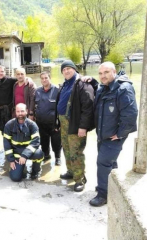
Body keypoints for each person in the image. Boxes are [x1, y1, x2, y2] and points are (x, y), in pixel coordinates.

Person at [89, 62, 138, 207]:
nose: (103, 76)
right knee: (111, 162)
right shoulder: (102, 87)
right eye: (100, 73)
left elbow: (130, 114)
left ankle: (104, 194)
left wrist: (121, 134)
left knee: (103, 163)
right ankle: (113, 186)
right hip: (103, 134)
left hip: (114, 136)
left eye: (106, 72)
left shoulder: (124, 89)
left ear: (114, 72)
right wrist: (90, 80)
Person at [57, 60, 95, 192]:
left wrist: (83, 127)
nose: (66, 71)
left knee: (76, 152)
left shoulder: (82, 83)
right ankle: (71, 172)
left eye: (68, 68)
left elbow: (88, 107)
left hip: (75, 124)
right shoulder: (65, 84)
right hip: (64, 122)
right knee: (66, 149)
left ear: (74, 69)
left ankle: (80, 179)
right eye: (64, 69)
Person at [3, 103, 44, 182]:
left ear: (26, 111)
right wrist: (11, 160)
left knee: (39, 153)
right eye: (18, 111)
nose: (20, 114)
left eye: (22, 111)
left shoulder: (32, 125)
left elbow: (36, 142)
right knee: (16, 178)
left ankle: (35, 171)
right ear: (15, 112)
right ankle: (19, 168)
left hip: (27, 152)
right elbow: (6, 144)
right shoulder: (9, 125)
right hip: (16, 153)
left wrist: (25, 155)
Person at [35, 72, 62, 165]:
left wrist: (59, 122)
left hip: (53, 122)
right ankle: (46, 155)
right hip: (41, 122)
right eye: (42, 78)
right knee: (44, 140)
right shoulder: (37, 91)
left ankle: (58, 157)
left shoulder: (57, 90)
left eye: (46, 78)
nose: (44, 80)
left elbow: (61, 106)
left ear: (50, 78)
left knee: (56, 141)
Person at [0, 65, 17, 132]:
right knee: (0, 129)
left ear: (5, 72)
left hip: (9, 110)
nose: (0, 73)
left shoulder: (11, 80)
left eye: (2, 71)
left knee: (10, 129)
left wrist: (28, 79)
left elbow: (21, 79)